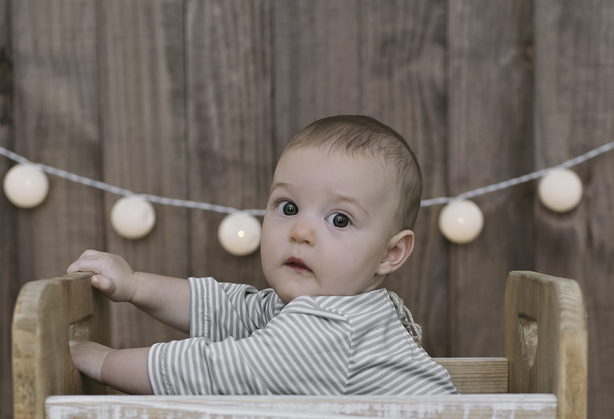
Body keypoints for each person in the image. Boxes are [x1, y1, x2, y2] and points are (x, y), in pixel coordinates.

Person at [67, 115, 457, 397]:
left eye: (339, 219)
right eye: (288, 208)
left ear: (390, 253)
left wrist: (104, 363)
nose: (300, 232)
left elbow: (211, 371)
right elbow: (222, 308)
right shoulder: (315, 311)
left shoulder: (336, 330)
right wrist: (135, 284)